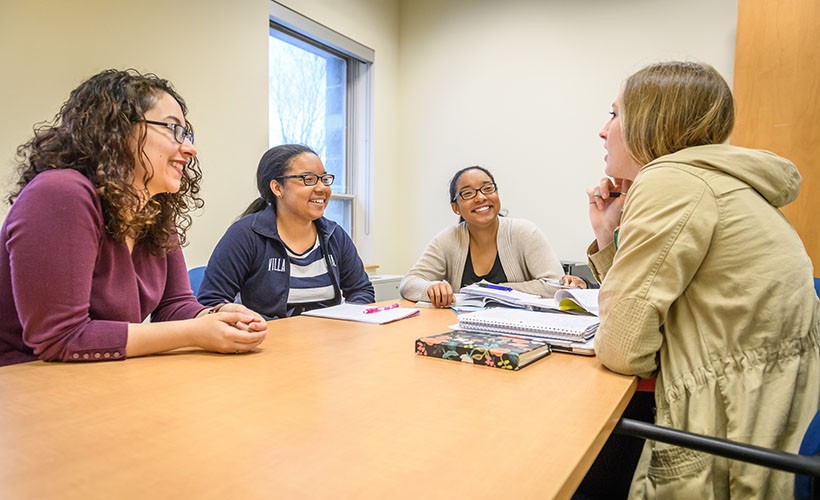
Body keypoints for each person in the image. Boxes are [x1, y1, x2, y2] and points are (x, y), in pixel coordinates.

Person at [585, 61, 819, 498]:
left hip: (726, 431)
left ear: (652, 119)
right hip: (770, 416)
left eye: (615, 114)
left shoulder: (672, 180)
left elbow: (621, 348)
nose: (603, 130)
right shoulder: (714, 181)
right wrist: (607, 233)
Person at [0, 69, 267, 367]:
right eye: (172, 129)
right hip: (26, 384)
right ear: (116, 129)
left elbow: (174, 306)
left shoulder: (154, 210)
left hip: (104, 377)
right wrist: (194, 332)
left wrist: (215, 317)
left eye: (187, 133)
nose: (190, 148)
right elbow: (61, 338)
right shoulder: (60, 193)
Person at [197, 144, 374, 319]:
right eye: (308, 179)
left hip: (327, 341)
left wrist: (349, 321)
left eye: (324, 178)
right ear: (277, 188)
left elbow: (361, 290)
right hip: (267, 341)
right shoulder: (245, 234)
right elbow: (211, 301)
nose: (322, 188)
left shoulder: (334, 234)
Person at [400, 166, 585, 308]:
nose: (480, 198)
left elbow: (556, 286)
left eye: (487, 189)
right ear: (456, 207)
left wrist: (493, 291)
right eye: (468, 193)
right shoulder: (447, 240)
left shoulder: (525, 232)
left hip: (522, 330)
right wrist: (430, 289)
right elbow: (408, 283)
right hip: (465, 330)